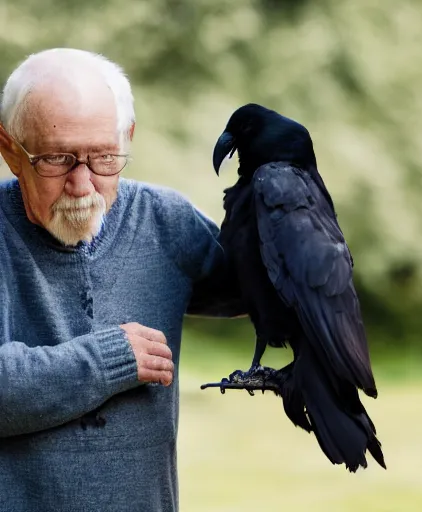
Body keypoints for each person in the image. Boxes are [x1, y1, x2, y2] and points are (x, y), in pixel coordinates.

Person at [0, 48, 242, 512]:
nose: (83, 183)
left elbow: (271, 289)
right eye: (57, 159)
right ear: (11, 149)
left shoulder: (166, 222)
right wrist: (108, 359)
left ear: (126, 137)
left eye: (105, 157)